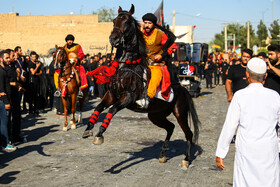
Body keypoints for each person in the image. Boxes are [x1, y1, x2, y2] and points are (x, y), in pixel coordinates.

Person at [216, 57, 280, 187]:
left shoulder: (240, 95)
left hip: (247, 149)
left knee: (245, 181)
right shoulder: (275, 96)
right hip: (268, 149)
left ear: (247, 74)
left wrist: (221, 153)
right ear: (265, 75)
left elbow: (230, 125)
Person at [141, 13, 177, 101]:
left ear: (153, 24)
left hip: (157, 64)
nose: (147, 25)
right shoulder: (140, 34)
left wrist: (161, 55)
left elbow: (173, 47)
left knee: (156, 76)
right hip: (142, 64)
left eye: (149, 23)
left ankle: (148, 97)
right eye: (145, 23)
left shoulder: (160, 34)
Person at [0, 50, 17, 151]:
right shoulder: (1, 72)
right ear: (1, 59)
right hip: (3, 101)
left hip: (6, 98)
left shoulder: (4, 70)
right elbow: (2, 89)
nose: (9, 59)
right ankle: (5, 143)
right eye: (6, 58)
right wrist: (6, 102)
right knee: (4, 122)